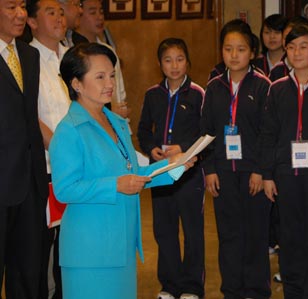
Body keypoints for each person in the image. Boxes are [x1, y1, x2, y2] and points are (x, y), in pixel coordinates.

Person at [49, 42, 194, 299]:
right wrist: (115, 184)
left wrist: (175, 166)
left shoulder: (115, 121)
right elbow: (65, 189)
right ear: (76, 84)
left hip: (122, 244)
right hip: (90, 251)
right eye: (100, 76)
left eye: (112, 75)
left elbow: (135, 173)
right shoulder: (69, 130)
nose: (110, 83)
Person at [260, 22, 308, 299]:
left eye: (303, 46)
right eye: (290, 47)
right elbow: (268, 135)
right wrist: (268, 175)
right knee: (290, 241)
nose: (297, 52)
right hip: (285, 177)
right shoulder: (277, 89)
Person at [201, 19, 272, 299]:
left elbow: (268, 134)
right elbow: (206, 132)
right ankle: (232, 289)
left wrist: (260, 170)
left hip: (253, 174)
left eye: (240, 49)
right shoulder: (215, 87)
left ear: (252, 52)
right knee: (229, 235)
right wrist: (209, 170)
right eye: (228, 48)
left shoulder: (264, 87)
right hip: (223, 173)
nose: (233, 55)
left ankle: (256, 290)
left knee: (255, 235)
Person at [137, 38, 205, 299]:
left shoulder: (198, 94)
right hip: (161, 174)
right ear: (160, 64)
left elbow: (206, 132)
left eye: (179, 59)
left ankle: (192, 287)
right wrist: (151, 147)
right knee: (164, 231)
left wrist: (184, 148)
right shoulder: (153, 94)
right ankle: (169, 285)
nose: (174, 65)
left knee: (192, 231)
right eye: (168, 60)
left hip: (189, 173)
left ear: (187, 61)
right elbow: (143, 129)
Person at [0, 0, 49, 297]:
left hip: (31, 183)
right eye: (10, 6)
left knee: (29, 273)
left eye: (22, 6)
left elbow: (30, 117)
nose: (20, 14)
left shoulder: (29, 56)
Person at [26, 0, 70, 297]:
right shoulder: (28, 60)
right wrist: (59, 147)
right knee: (40, 250)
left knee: (69, 249)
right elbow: (29, 112)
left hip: (74, 169)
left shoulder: (73, 58)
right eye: (50, 12)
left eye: (61, 12)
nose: (59, 18)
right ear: (31, 21)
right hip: (44, 169)